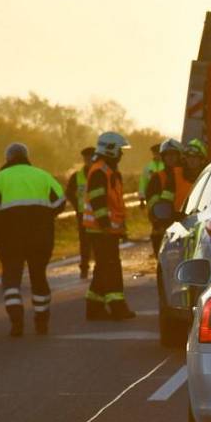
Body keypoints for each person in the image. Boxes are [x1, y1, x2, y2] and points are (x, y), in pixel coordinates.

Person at [0, 143, 65, 336]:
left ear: (7, 158)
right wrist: (45, 216)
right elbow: (60, 202)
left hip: (9, 240)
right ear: (27, 156)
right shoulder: (43, 176)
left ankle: (16, 319)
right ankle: (41, 321)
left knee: (11, 278)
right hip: (41, 238)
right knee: (38, 277)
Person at [83, 131, 136, 321]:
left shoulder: (110, 171)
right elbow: (98, 201)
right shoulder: (100, 171)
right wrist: (106, 225)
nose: (122, 154)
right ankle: (117, 307)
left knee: (103, 268)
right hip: (101, 230)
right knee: (111, 268)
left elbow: (114, 204)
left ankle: (94, 307)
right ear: (111, 150)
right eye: (120, 150)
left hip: (107, 230)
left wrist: (118, 228)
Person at [145, 138, 181, 255]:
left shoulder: (186, 176)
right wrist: (158, 223)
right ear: (163, 157)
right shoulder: (156, 178)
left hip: (183, 225)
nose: (170, 158)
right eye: (167, 155)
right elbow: (152, 203)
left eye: (173, 155)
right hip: (161, 228)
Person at [65, 146, 95, 279]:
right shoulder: (76, 177)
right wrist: (77, 206)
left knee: (99, 241)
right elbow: (69, 193)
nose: (88, 160)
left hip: (99, 213)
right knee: (85, 242)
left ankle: (100, 266)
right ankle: (84, 267)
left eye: (91, 158)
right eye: (86, 158)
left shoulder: (100, 173)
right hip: (83, 214)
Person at [138, 143, 164, 209]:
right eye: (155, 153)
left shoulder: (167, 165)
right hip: (151, 198)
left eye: (159, 153)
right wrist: (141, 198)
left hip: (165, 197)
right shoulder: (148, 167)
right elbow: (143, 183)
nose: (157, 155)